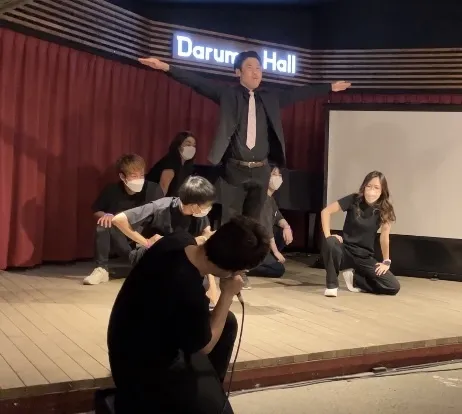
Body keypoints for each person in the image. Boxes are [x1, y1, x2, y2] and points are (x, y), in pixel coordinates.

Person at [138, 53, 351, 222]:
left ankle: (245, 262)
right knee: (232, 221)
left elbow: (299, 94)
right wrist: (165, 67)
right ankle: (229, 263)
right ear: (237, 72)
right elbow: (197, 82)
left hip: (261, 170)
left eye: (259, 68)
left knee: (253, 223)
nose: (256, 72)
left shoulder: (270, 98)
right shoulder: (228, 94)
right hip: (235, 169)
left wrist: (329, 87)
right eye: (250, 67)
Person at [107, 216, 270, 414]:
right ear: (235, 270)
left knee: (226, 322)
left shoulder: (178, 240)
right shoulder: (187, 290)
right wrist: (227, 293)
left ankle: (207, 390)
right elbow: (205, 346)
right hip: (139, 369)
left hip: (131, 336)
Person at [111, 175, 219, 303]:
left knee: (201, 282)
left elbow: (206, 237)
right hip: (152, 255)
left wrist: (213, 288)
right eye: (206, 205)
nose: (208, 208)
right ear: (194, 206)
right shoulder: (161, 207)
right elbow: (118, 219)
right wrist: (146, 242)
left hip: (180, 257)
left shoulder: (199, 215)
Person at [84, 154, 163, 285]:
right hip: (122, 241)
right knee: (104, 225)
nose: (139, 179)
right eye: (134, 176)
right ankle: (101, 269)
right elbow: (97, 211)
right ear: (122, 177)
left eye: (141, 175)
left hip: (146, 242)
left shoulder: (153, 189)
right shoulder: (112, 190)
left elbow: (162, 216)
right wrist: (106, 215)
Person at [320, 171, 401, 298]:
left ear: (382, 191)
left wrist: (386, 261)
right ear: (364, 186)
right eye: (369, 186)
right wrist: (328, 236)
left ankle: (355, 280)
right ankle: (332, 285)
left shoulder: (385, 209)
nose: (372, 191)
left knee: (393, 286)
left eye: (376, 187)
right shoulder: (354, 200)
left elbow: (384, 237)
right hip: (346, 251)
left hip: (364, 256)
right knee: (330, 242)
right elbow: (326, 212)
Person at [247, 167, 293, 278]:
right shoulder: (262, 199)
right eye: (274, 174)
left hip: (263, 242)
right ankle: (247, 267)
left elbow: (279, 218)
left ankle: (266, 258)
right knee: (278, 269)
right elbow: (266, 230)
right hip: (255, 244)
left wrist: (287, 227)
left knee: (282, 231)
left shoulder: (270, 199)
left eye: (279, 175)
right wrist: (276, 252)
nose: (278, 178)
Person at [146, 131, 197, 196]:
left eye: (194, 145)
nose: (192, 148)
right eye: (188, 145)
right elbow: (162, 189)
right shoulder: (170, 162)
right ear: (178, 146)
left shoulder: (187, 165)